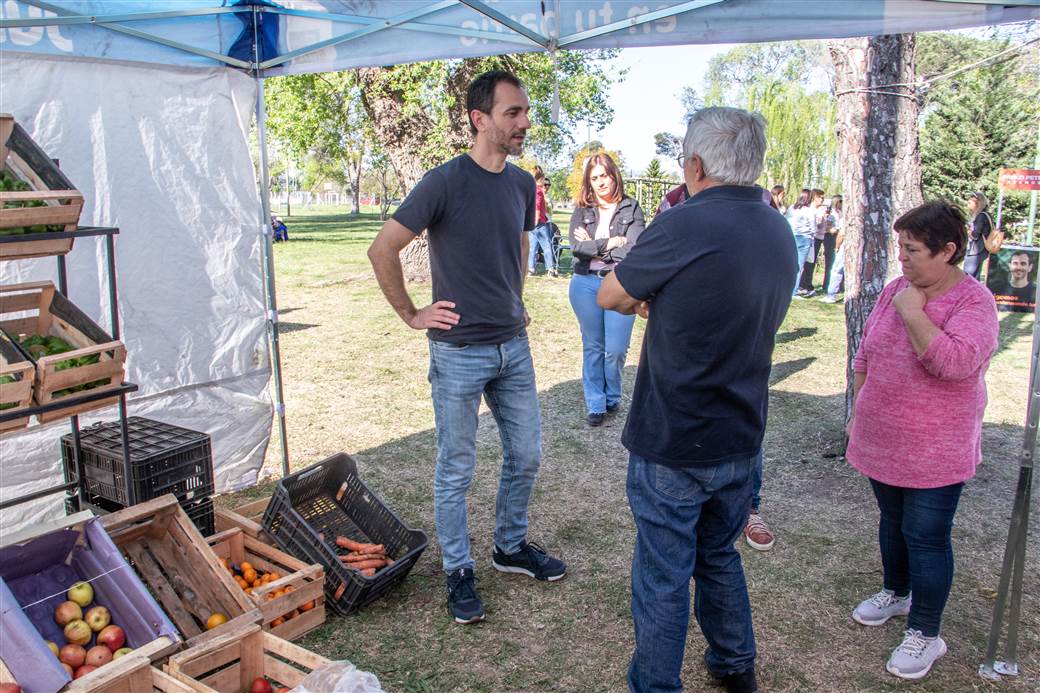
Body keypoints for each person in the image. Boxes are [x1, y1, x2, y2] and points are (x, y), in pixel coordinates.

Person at [598, 106, 796, 693]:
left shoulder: (682, 222)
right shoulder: (777, 227)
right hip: (741, 430)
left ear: (696, 164)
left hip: (675, 434)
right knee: (718, 555)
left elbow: (610, 293)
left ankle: (656, 685)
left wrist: (644, 300)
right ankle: (736, 667)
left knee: (663, 573)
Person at [366, 70, 566, 626]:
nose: (524, 121)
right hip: (457, 352)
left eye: (525, 111)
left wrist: (515, 298)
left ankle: (509, 547)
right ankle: (459, 568)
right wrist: (411, 313)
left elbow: (519, 244)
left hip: (513, 347)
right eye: (512, 113)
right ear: (480, 119)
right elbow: (382, 249)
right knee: (456, 468)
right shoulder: (443, 182)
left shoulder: (523, 184)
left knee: (526, 454)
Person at [846, 200, 998, 680]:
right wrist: (859, 412)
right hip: (882, 438)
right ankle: (896, 591)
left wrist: (914, 313)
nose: (902, 260)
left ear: (948, 250)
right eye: (900, 248)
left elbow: (953, 363)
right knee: (892, 521)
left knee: (927, 537)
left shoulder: (974, 302)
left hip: (937, 448)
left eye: (912, 250)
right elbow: (865, 354)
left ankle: (927, 633)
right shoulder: (896, 288)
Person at [568, 153, 646, 426]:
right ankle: (596, 403)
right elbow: (577, 249)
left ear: (614, 175)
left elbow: (634, 249)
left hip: (620, 283)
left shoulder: (631, 208)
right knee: (593, 346)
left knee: (615, 349)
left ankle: (612, 396)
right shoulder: (582, 210)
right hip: (585, 283)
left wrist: (597, 246)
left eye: (604, 175)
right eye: (594, 178)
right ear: (589, 182)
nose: (601, 182)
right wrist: (613, 241)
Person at [785, 188, 818, 298]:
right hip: (804, 237)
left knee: (790, 263)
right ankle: (794, 291)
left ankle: (787, 287)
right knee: (799, 265)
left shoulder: (791, 209)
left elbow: (786, 220)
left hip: (791, 236)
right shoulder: (809, 211)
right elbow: (813, 227)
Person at [528, 165, 558, 277]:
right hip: (539, 224)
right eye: (543, 180)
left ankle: (531, 268)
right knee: (547, 246)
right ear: (539, 179)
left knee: (532, 247)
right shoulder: (538, 191)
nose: (544, 183)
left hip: (532, 224)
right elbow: (536, 208)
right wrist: (535, 221)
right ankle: (551, 269)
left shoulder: (530, 189)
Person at [797, 188, 828, 295]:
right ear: (814, 197)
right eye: (820, 197)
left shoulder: (820, 210)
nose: (822, 199)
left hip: (818, 237)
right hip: (810, 237)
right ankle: (803, 285)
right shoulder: (811, 210)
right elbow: (814, 225)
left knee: (811, 262)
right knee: (806, 262)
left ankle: (806, 284)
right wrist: (821, 218)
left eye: (823, 197)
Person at [962, 190, 992, 280]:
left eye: (970, 202)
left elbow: (975, 235)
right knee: (975, 278)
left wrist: (966, 230)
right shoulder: (986, 215)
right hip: (981, 251)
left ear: (977, 203)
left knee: (968, 277)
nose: (968, 205)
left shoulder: (981, 216)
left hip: (976, 250)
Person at [821, 195, 844, 303]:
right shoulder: (832, 213)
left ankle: (837, 287)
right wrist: (834, 230)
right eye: (840, 202)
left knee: (837, 266)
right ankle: (828, 287)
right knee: (832, 264)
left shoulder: (841, 213)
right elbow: (828, 227)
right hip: (832, 238)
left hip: (838, 237)